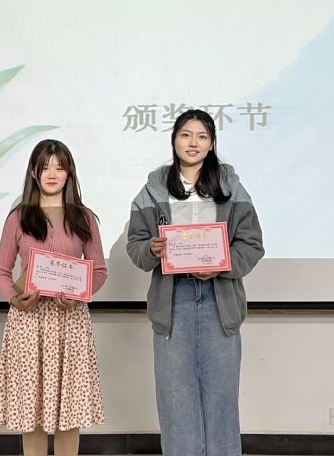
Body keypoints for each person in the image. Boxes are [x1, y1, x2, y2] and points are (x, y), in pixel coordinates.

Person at [126, 109, 264, 456]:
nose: (193, 143)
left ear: (212, 143)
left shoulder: (232, 188)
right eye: (186, 134)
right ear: (174, 139)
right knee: (175, 398)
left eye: (202, 136)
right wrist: (151, 249)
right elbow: (136, 245)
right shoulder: (153, 190)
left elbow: (252, 244)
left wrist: (222, 265)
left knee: (221, 398)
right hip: (173, 302)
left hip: (220, 302)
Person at [0, 139, 106, 456]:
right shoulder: (18, 217)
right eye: (45, 167)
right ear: (33, 172)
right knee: (32, 414)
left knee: (70, 413)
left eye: (59, 167)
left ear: (70, 173)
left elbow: (98, 271)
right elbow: (0, 271)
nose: (52, 174)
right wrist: (14, 298)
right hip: (29, 323)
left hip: (71, 321)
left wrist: (80, 295)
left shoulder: (84, 217)